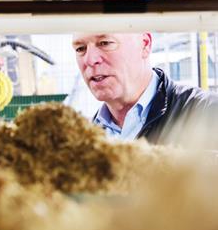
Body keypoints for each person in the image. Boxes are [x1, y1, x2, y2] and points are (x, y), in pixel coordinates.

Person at [72, 32, 218, 148]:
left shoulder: (207, 113)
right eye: (80, 49)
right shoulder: (83, 142)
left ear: (145, 44)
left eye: (105, 43)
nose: (89, 60)